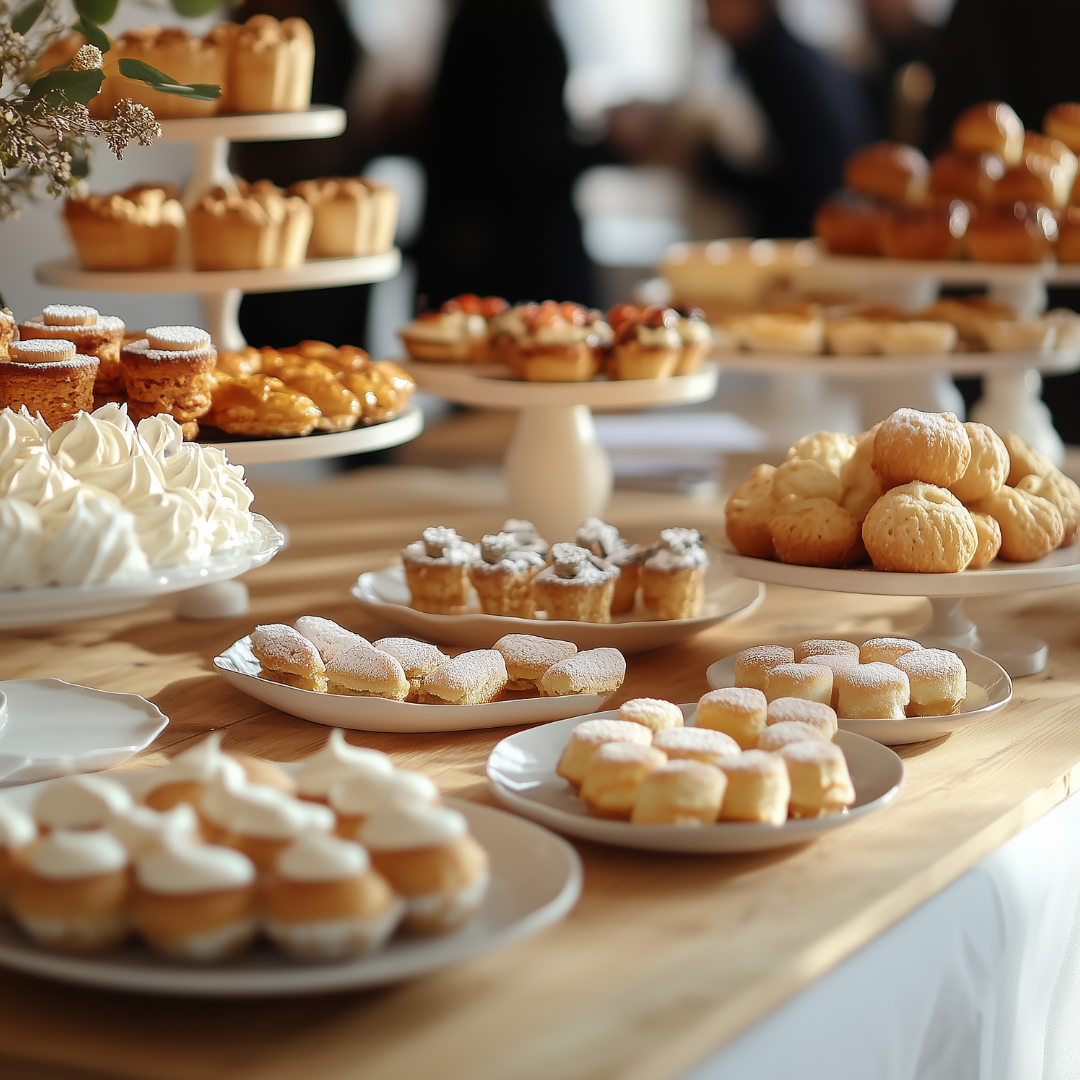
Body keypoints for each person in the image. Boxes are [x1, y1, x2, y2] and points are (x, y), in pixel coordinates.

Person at [414, 0, 598, 308]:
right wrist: (608, 145)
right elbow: (527, 156)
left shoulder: (477, 19)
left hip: (476, 246)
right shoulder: (510, 22)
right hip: (514, 255)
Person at [700, 0, 878, 237]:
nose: (706, 16)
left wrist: (710, 168)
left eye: (712, 4)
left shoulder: (776, 64)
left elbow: (804, 181)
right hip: (843, 215)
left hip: (818, 232)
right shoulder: (790, 54)